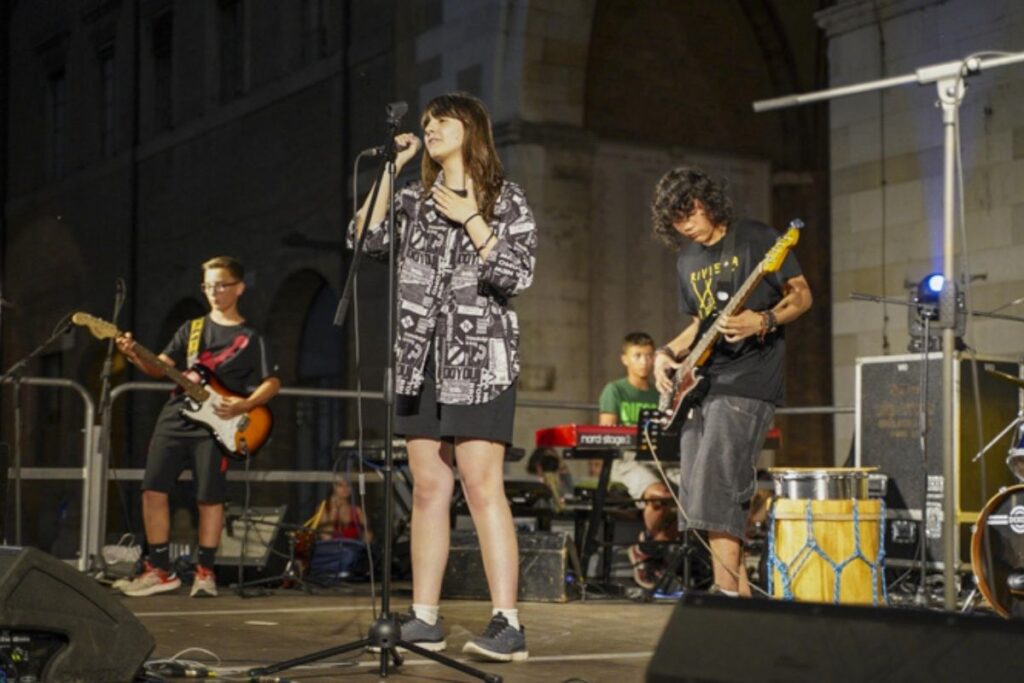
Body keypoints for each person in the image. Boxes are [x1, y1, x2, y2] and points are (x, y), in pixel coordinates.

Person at [350, 92, 537, 662]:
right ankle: (424, 618)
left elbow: (518, 273)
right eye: (426, 122)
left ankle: (508, 622)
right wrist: (392, 169)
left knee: (482, 484)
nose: (429, 128)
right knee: (429, 486)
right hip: (419, 359)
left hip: (480, 361)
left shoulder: (505, 198)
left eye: (441, 121)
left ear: (471, 129)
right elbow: (364, 239)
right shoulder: (412, 198)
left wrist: (472, 218)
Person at [651, 167, 811, 597]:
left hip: (748, 380)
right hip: (702, 385)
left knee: (719, 486)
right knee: (698, 493)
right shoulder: (687, 259)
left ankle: (723, 597)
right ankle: (739, 597)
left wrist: (763, 319)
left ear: (706, 201)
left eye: (689, 213)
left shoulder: (756, 238)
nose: (685, 226)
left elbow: (801, 294)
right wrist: (666, 353)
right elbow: (699, 326)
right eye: (675, 220)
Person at [115, 256, 280, 597]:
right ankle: (159, 569)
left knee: (208, 496)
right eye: (208, 286)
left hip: (219, 421)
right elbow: (160, 368)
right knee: (153, 489)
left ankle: (205, 572)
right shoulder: (191, 330)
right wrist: (134, 354)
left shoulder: (251, 337)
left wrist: (244, 404)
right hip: (176, 415)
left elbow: (272, 383)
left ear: (239, 288)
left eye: (221, 285)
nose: (214, 292)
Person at [596, 331, 678, 589]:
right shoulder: (615, 390)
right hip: (627, 460)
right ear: (625, 359)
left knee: (696, 495)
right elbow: (606, 435)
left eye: (649, 356)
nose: (644, 362)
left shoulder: (660, 392)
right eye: (637, 356)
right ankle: (652, 549)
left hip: (660, 459)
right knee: (659, 494)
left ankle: (646, 548)